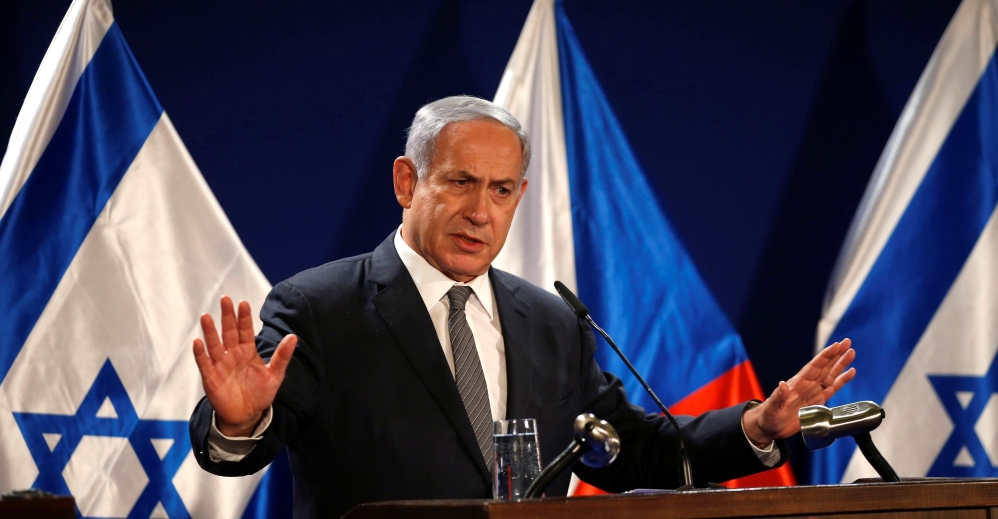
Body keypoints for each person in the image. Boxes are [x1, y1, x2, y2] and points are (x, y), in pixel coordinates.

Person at [189, 96, 856, 518]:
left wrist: (759, 427)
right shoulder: (319, 308)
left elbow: (633, 452)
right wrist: (240, 422)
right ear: (406, 180)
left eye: (502, 190)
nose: (481, 211)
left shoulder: (551, 320)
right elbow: (240, 453)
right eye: (460, 182)